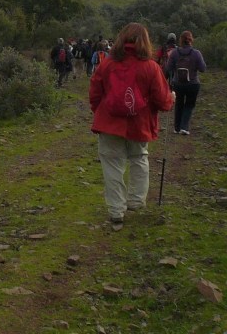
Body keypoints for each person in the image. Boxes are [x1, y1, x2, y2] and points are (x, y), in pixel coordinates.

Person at [89, 22, 175, 230]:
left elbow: (94, 94)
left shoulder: (107, 64)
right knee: (139, 158)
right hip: (140, 124)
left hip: (109, 124)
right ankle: (136, 201)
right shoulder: (151, 67)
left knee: (112, 166)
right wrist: (171, 98)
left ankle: (116, 211)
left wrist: (102, 112)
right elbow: (163, 102)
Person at [165, 30, 207, 135]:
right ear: (191, 40)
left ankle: (177, 128)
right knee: (189, 105)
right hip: (193, 84)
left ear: (180, 40)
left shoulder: (175, 53)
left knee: (179, 104)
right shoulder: (196, 53)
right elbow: (203, 69)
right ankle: (184, 127)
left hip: (178, 83)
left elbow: (168, 68)